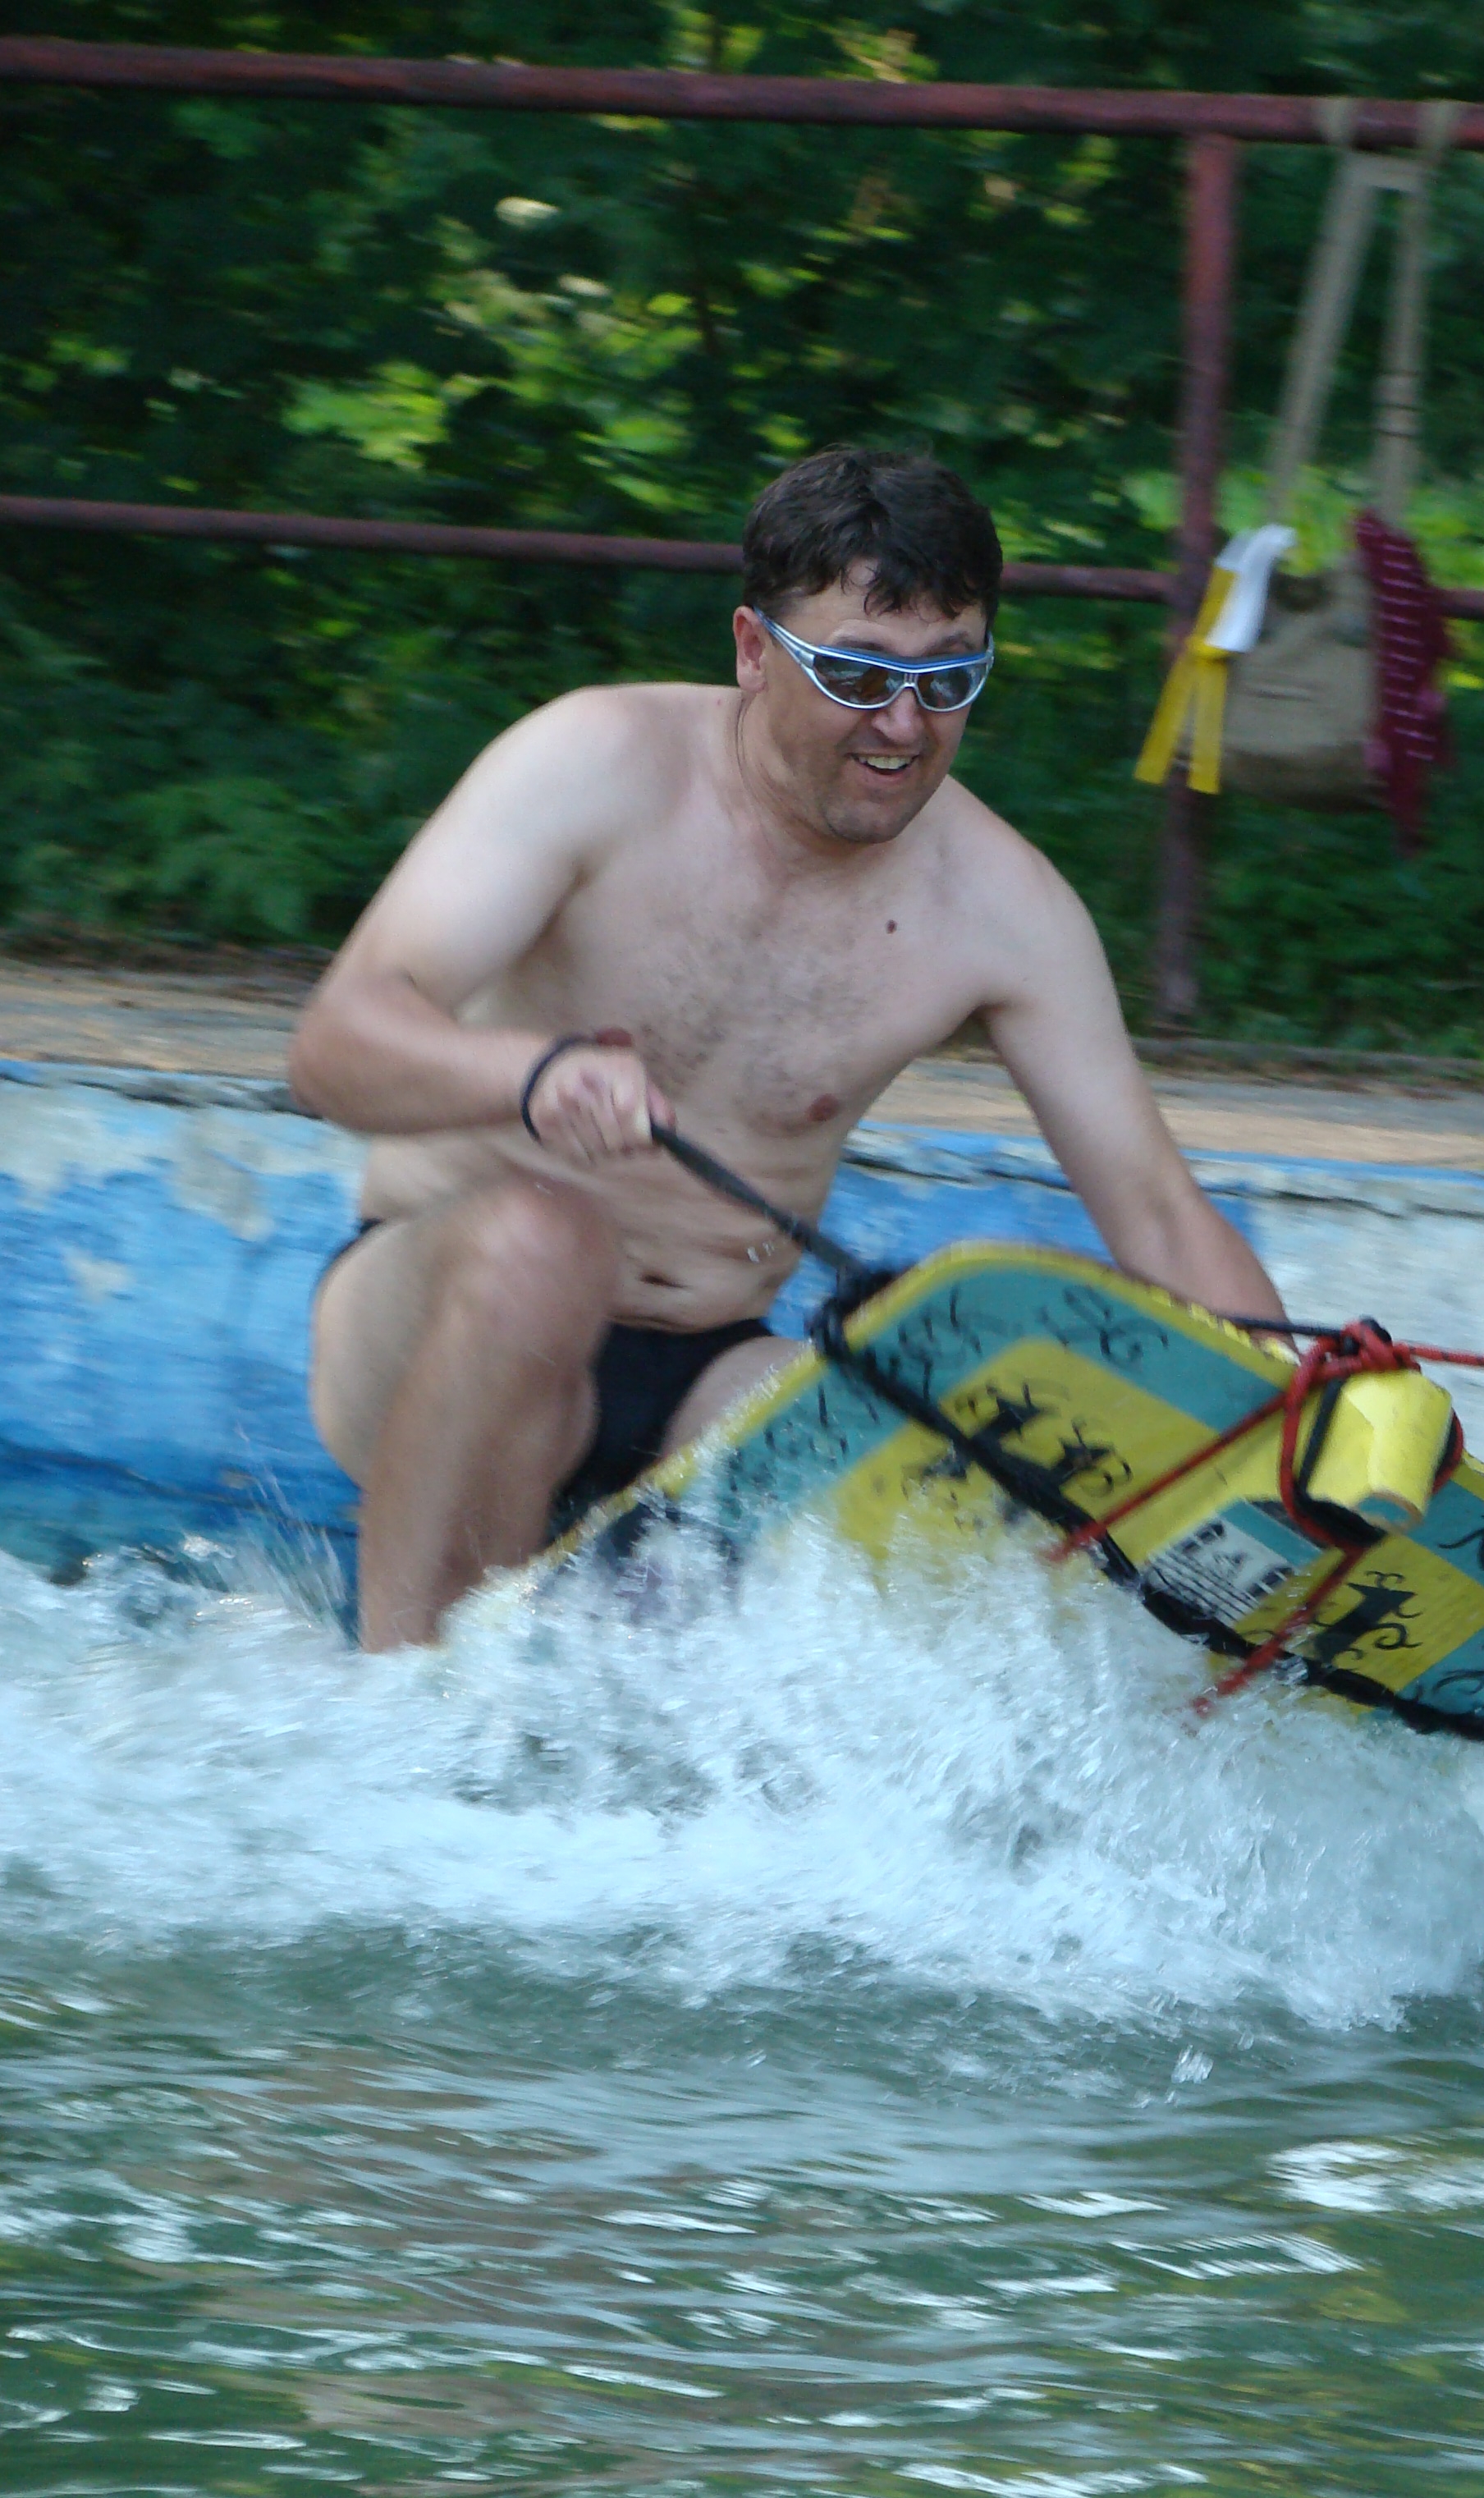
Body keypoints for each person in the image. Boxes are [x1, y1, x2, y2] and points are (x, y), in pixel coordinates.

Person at [291, 447, 1285, 1648]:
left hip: (701, 1366)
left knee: (936, 1448)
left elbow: (1160, 1213)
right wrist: (531, 1078)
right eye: (858, 673)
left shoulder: (1003, 904)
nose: (905, 725)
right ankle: (404, 1706)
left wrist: (1300, 1423)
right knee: (545, 1240)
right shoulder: (594, 762)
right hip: (430, 1318)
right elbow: (333, 1051)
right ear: (755, 651)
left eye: (950, 677)